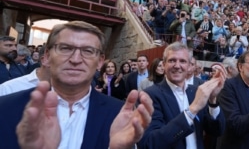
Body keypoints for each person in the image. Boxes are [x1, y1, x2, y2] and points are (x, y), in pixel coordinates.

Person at [0, 21, 153, 149]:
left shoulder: (118, 114)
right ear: (46, 56)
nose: (75, 59)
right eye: (66, 48)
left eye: (87, 51)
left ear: (100, 61)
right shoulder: (5, 108)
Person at [137, 42, 226, 149]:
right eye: (172, 60)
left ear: (189, 66)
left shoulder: (196, 92)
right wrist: (192, 110)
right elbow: (151, 143)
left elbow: (217, 131)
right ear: (164, 64)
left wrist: (212, 100)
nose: (177, 65)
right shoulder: (149, 95)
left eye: (182, 61)